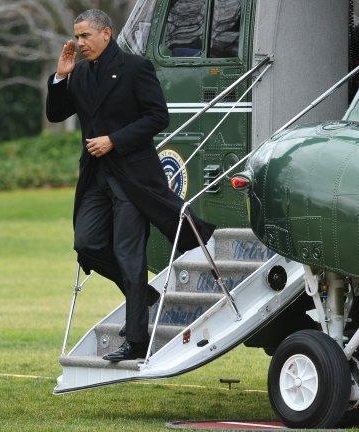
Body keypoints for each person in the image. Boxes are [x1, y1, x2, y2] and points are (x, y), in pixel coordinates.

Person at [46, 9, 215, 362]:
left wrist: (114, 140)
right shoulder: (77, 73)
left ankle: (136, 340)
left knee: (128, 254)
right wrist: (60, 78)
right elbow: (56, 114)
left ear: (106, 34)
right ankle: (143, 296)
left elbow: (158, 117)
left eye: (85, 36)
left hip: (133, 177)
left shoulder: (135, 68)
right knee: (86, 244)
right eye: (76, 37)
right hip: (95, 176)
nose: (79, 43)